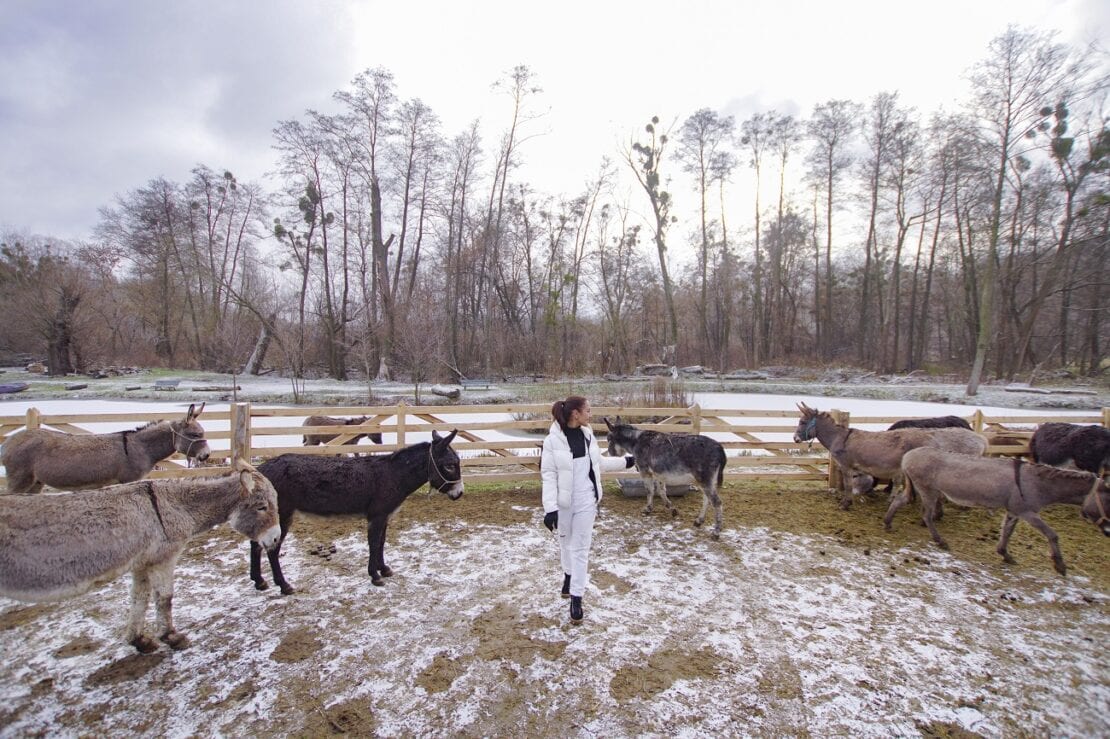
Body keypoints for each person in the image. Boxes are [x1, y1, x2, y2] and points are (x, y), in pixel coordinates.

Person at [541, 395, 634, 624]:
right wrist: (550, 508)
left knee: (581, 549)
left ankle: (577, 597)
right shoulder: (552, 441)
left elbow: (599, 463)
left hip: (586, 501)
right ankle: (568, 574)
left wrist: (627, 462)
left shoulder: (588, 435)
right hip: (563, 504)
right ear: (576, 414)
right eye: (588, 411)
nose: (590, 415)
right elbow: (549, 475)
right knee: (565, 543)